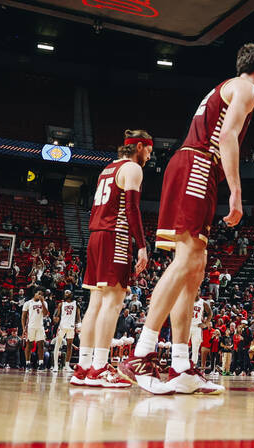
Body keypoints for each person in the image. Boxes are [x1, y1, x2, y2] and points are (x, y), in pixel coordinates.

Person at [123, 44, 254, 395]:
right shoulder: (247, 87)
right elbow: (227, 136)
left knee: (195, 267)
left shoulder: (226, 87)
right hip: (198, 165)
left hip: (194, 166)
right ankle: (141, 353)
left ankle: (180, 365)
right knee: (188, 259)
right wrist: (236, 191)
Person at [76, 132, 151, 389]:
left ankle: (83, 367)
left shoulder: (107, 169)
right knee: (113, 301)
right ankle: (99, 367)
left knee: (95, 303)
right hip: (115, 237)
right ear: (139, 147)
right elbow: (132, 209)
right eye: (149, 152)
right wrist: (141, 245)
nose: (149, 158)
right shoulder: (132, 169)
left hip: (95, 236)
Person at [52, 289, 80, 372]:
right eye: (65, 292)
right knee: (57, 345)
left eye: (67, 292)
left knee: (69, 346)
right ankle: (55, 366)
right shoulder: (61, 304)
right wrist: (55, 319)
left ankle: (67, 365)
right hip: (62, 326)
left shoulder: (76, 303)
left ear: (71, 294)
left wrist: (78, 325)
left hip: (71, 327)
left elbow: (78, 316)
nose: (66, 293)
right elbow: (57, 316)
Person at [21, 290, 49, 371]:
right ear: (34, 294)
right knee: (29, 345)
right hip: (30, 327)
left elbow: (45, 314)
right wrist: (23, 329)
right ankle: (27, 363)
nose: (40, 295)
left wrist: (43, 302)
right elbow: (23, 317)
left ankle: (41, 363)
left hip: (40, 327)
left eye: (41, 294)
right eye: (38, 293)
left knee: (41, 345)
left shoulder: (44, 303)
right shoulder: (28, 303)